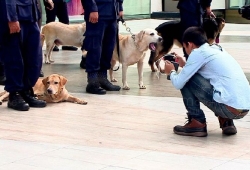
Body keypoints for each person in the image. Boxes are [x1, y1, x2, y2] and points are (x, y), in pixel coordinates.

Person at [164, 27, 250, 137]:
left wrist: (171, 72)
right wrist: (185, 65)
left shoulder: (197, 53)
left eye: (184, 47)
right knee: (216, 83)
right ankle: (226, 121)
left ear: (189, 44)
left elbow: (179, 83)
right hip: (244, 108)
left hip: (229, 108)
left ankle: (197, 122)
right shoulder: (216, 49)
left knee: (186, 79)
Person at [0, 0, 47, 111]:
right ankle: (14, 94)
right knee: (14, 59)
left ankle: (26, 91)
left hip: (31, 16)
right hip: (15, 17)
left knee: (33, 58)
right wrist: (11, 18)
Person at [81, 0, 123, 94]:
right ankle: (92, 82)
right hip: (97, 13)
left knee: (108, 48)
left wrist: (120, 7)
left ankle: (102, 79)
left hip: (112, 13)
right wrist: (92, 8)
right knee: (94, 48)